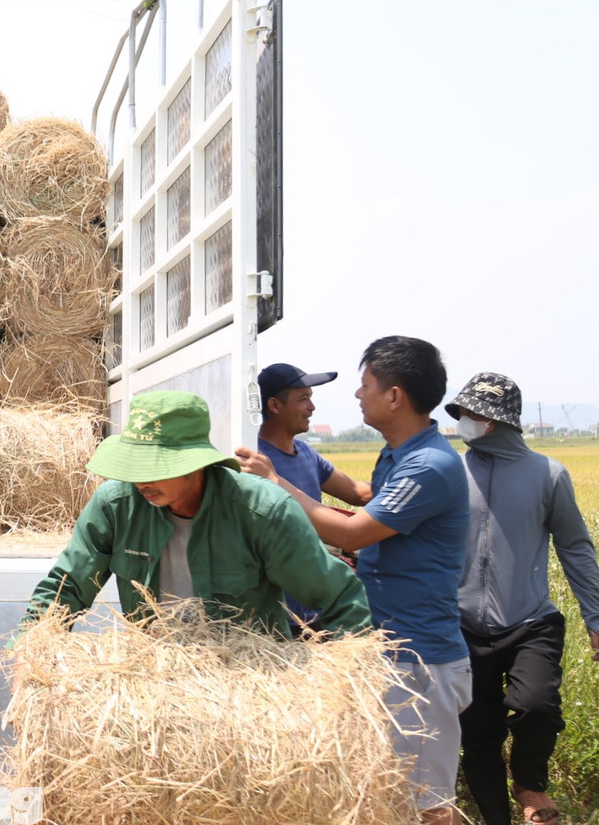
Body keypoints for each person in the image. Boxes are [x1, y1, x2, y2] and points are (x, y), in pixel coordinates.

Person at [236, 336, 471, 825]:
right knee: (386, 795)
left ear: (394, 396)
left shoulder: (427, 466)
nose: (358, 395)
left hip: (418, 658)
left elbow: (352, 533)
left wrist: (275, 483)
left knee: (427, 803)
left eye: (366, 385)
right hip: (387, 647)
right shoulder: (396, 456)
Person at [19, 390, 372, 640]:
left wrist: (341, 684)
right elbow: (65, 589)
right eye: (134, 466)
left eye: (154, 467)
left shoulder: (262, 511)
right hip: (154, 678)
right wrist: (29, 648)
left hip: (246, 684)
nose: (141, 480)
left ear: (196, 463)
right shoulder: (116, 506)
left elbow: (341, 599)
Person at [446, 372, 599, 825]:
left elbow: (575, 547)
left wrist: (596, 617)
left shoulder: (548, 475)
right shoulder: (451, 472)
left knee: (537, 706)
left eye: (470, 414)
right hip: (462, 626)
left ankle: (529, 784)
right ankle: (498, 818)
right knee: (479, 733)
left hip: (530, 621)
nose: (463, 422)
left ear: (495, 421)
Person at [256, 363, 374, 634]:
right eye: (303, 399)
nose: (312, 407)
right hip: (279, 614)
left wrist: (404, 481)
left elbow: (357, 493)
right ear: (274, 405)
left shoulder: (307, 453)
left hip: (318, 604)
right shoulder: (255, 461)